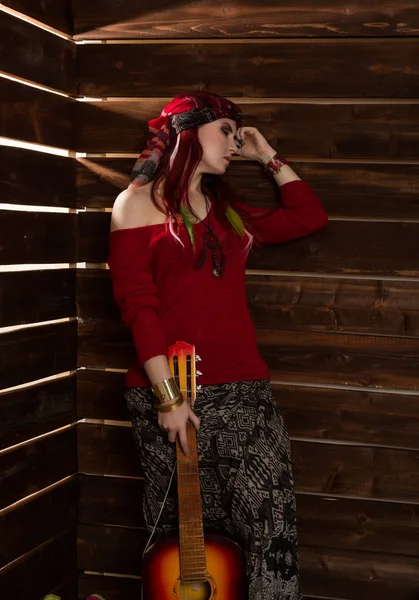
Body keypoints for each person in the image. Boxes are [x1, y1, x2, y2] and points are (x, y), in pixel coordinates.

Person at [107, 92, 328, 600]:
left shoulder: (227, 211)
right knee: (179, 542)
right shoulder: (135, 203)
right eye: (226, 130)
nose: (233, 142)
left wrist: (265, 152)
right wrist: (169, 399)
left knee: (271, 532)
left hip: (246, 393)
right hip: (167, 395)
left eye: (236, 133)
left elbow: (307, 217)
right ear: (188, 133)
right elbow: (139, 306)